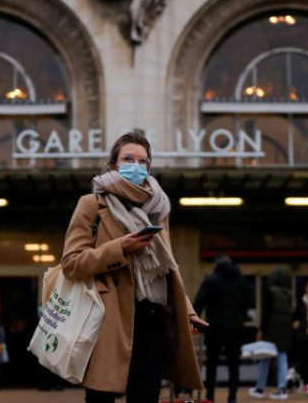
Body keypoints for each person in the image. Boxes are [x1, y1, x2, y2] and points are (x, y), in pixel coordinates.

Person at [61, 131, 207, 403]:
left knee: (146, 396)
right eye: (128, 159)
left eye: (142, 161)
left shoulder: (158, 208)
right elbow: (71, 263)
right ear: (113, 164)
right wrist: (121, 248)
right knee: (101, 397)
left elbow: (167, 268)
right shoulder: (92, 204)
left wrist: (186, 311)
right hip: (108, 317)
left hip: (151, 316)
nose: (136, 166)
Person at [193, 253, 250, 403]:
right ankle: (232, 398)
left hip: (215, 328)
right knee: (234, 365)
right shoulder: (240, 280)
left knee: (212, 364)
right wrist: (241, 318)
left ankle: (210, 396)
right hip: (235, 328)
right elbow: (247, 303)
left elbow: (199, 302)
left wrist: (194, 320)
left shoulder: (211, 280)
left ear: (216, 265)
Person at [249, 266, 293, 401]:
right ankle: (282, 388)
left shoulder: (270, 291)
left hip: (271, 329)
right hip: (285, 329)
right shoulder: (288, 293)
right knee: (282, 358)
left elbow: (266, 312)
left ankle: (260, 388)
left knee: (265, 358)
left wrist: (261, 329)